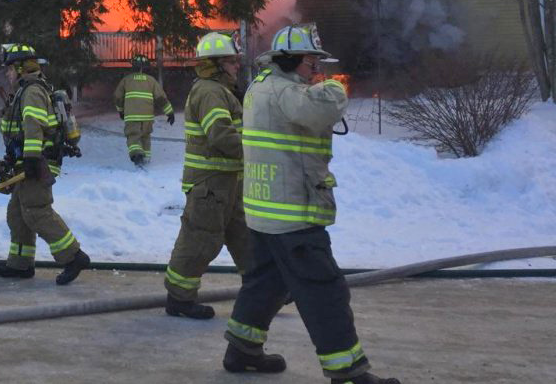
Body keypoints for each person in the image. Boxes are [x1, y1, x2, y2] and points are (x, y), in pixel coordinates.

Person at [222, 24, 401, 384]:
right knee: (325, 292)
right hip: (293, 216)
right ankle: (347, 371)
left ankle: (241, 348)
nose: (315, 69)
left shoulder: (260, 87)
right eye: (310, 62)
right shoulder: (287, 93)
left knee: (266, 283)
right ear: (289, 60)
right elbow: (323, 108)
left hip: (265, 212)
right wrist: (335, 84)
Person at [163, 32, 249, 319]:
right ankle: (179, 298)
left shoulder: (220, 91)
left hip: (228, 182)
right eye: (232, 61)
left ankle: (264, 288)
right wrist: (256, 153)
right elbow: (221, 135)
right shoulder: (210, 92)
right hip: (209, 185)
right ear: (215, 64)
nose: (237, 66)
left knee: (245, 237)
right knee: (200, 240)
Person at [0, 43, 90, 285]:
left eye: (9, 69)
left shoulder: (32, 91)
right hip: (28, 160)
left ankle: (73, 257)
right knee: (17, 213)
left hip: (39, 162)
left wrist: (31, 159)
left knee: (37, 211)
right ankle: (20, 265)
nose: (7, 74)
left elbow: (34, 127)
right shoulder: (24, 91)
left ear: (19, 68)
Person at [113, 53, 174, 165]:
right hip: (147, 117)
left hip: (132, 116)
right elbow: (161, 97)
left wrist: (121, 111)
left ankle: (137, 155)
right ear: (144, 67)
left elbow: (117, 97)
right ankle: (146, 159)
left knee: (133, 136)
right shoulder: (151, 80)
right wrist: (170, 112)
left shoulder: (126, 80)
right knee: (146, 137)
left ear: (133, 66)